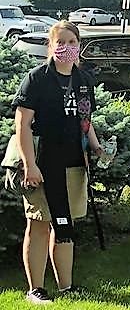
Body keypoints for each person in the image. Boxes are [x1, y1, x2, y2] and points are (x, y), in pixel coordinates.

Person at [14, 21, 106, 303]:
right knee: (40, 224)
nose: (66, 48)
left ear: (79, 45)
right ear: (51, 45)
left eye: (71, 42)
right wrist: (30, 164)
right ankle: (36, 289)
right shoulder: (37, 78)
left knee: (65, 225)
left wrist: (97, 146)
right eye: (60, 42)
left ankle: (67, 286)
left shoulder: (83, 80)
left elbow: (85, 120)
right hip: (42, 164)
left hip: (74, 165)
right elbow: (22, 124)